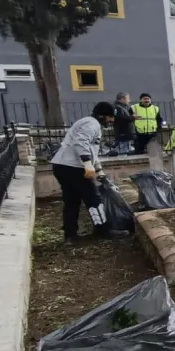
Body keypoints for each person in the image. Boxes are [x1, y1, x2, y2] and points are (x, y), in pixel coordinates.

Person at [50, 102, 129, 244]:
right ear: (102, 116)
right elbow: (81, 142)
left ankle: (70, 236)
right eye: (110, 117)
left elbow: (92, 151)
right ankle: (104, 230)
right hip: (74, 167)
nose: (111, 121)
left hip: (62, 165)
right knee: (93, 198)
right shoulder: (92, 124)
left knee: (71, 201)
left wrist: (99, 170)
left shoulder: (87, 122)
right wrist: (86, 163)